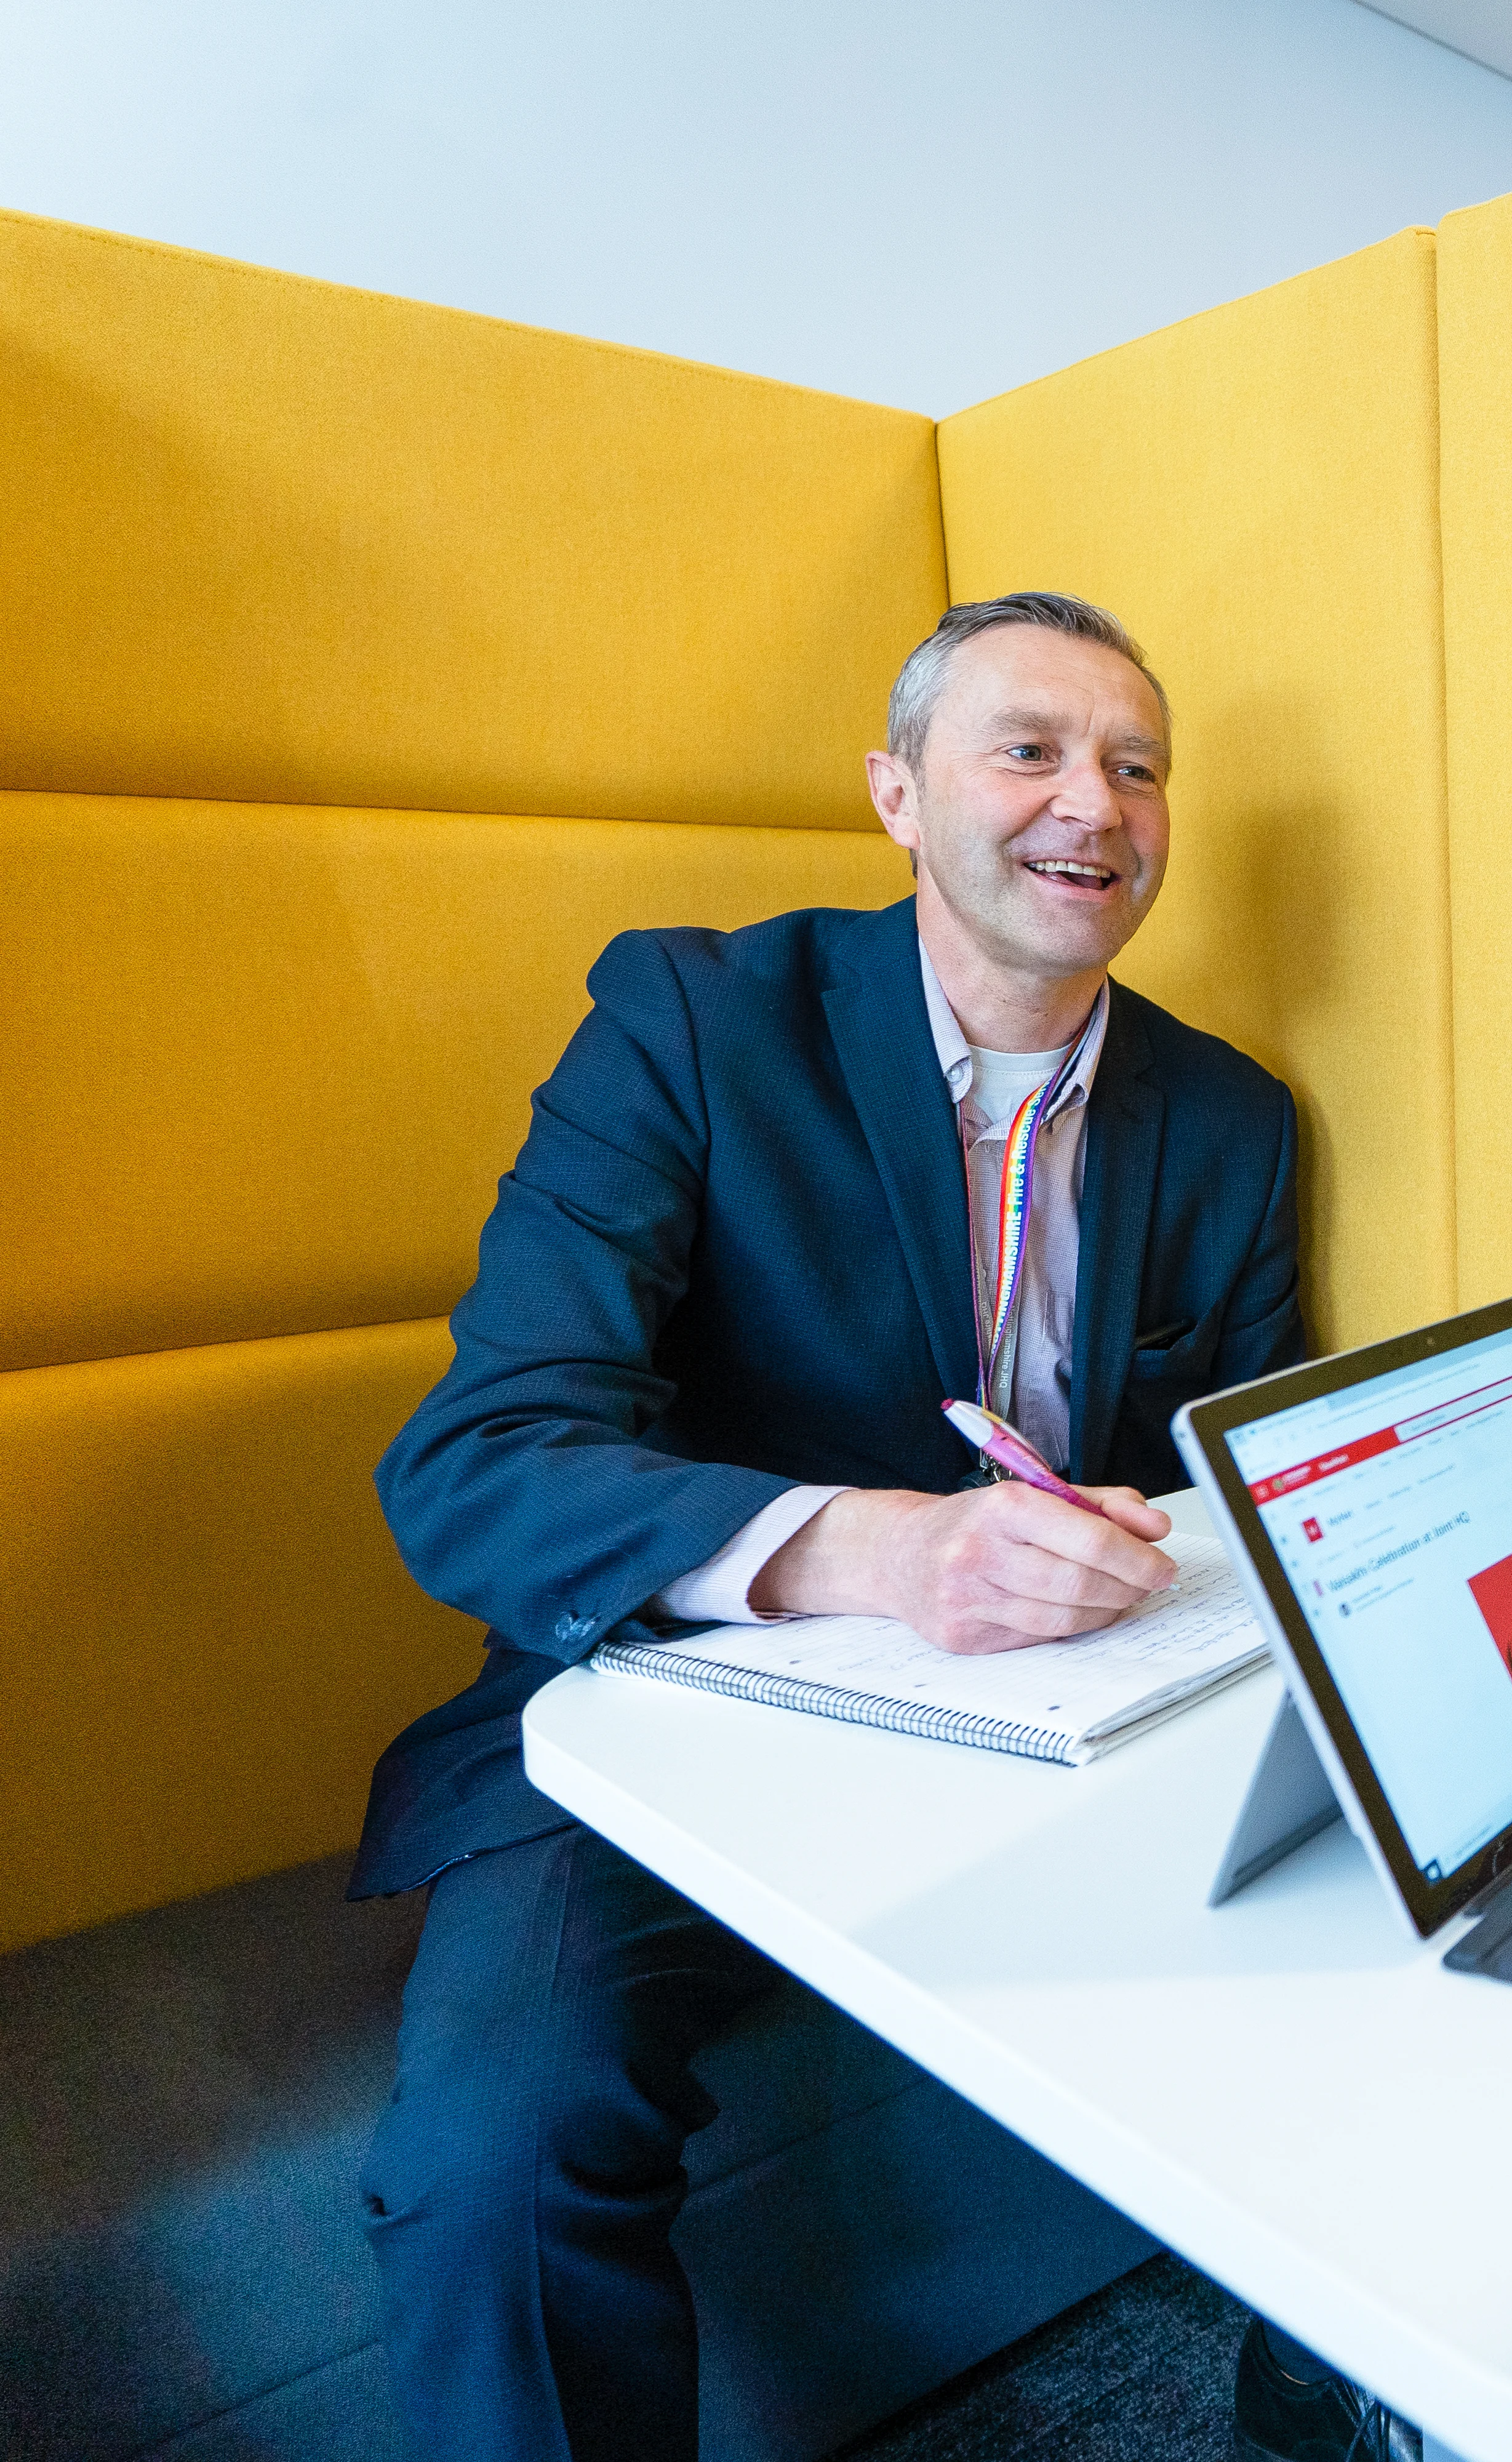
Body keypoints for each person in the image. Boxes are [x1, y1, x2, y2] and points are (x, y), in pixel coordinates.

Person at [353, 591, 1306, 2460]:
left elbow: (1243, 1465)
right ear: (896, 793)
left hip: (1060, 1719)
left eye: (1136, 766)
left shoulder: (1232, 1118)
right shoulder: (696, 1020)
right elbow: (475, 1459)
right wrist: (881, 1550)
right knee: (499, 2153)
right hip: (679, 1706)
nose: (1090, 809)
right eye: (1027, 750)